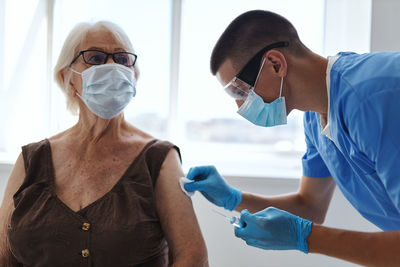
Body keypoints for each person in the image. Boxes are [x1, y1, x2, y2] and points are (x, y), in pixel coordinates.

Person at [184, 10, 400, 266]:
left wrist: (305, 237)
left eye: (239, 91)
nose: (240, 106)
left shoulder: (375, 99)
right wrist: (233, 198)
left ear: (276, 63)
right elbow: (310, 205)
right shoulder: (314, 116)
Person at [0, 21, 208, 267]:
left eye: (122, 59)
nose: (111, 66)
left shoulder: (159, 159)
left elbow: (193, 258)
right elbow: (3, 254)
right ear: (67, 77)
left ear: (134, 76)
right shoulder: (32, 159)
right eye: (95, 57)